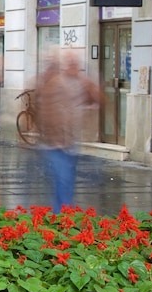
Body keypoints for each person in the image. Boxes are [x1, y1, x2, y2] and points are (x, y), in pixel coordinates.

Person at [33, 51, 103, 214]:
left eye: (77, 64)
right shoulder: (56, 83)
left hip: (70, 142)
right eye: (72, 64)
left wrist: (92, 82)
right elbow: (46, 111)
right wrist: (53, 136)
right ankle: (62, 216)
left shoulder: (80, 83)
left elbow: (98, 98)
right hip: (55, 143)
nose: (75, 67)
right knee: (63, 180)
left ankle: (61, 214)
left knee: (65, 181)